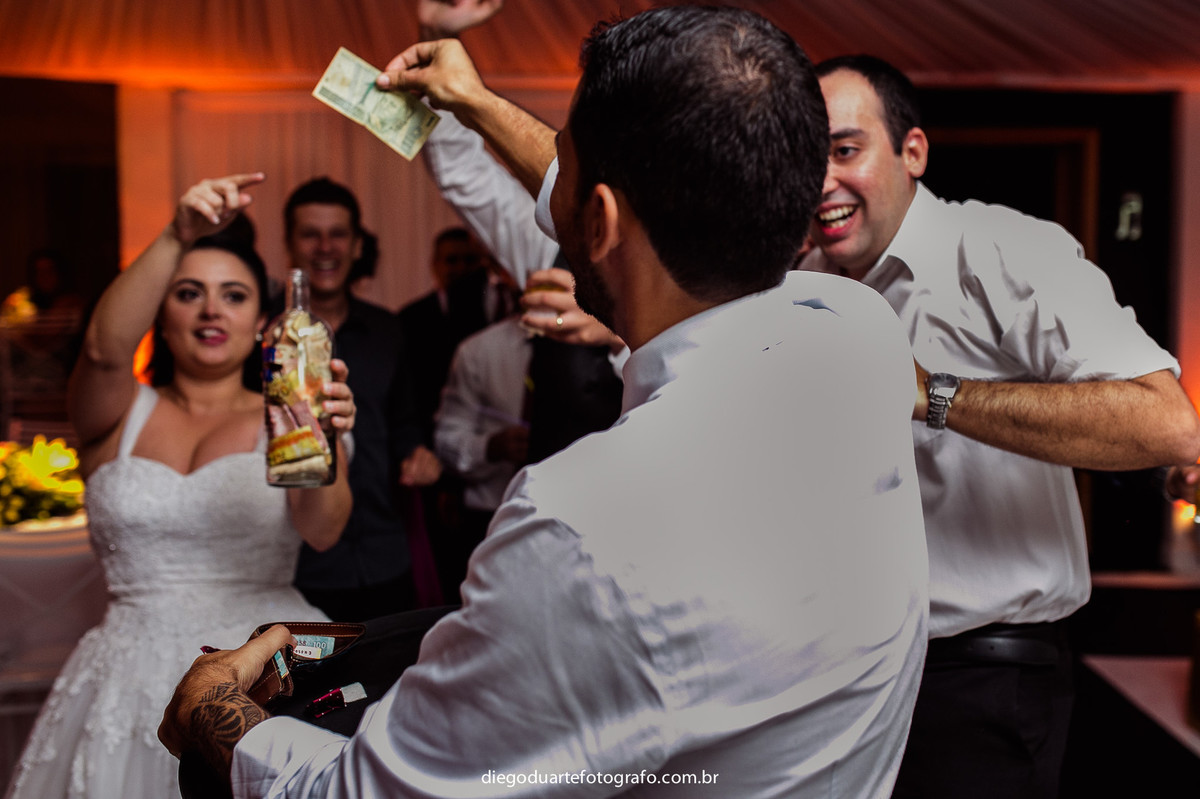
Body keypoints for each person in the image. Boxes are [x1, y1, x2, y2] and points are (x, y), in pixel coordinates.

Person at [159, 7, 930, 797]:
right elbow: (589, 199)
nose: (550, 194)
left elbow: (358, 793)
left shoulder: (580, 522)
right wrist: (478, 102)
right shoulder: (857, 333)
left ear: (598, 220)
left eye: (565, 169)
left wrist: (214, 706)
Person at [797, 55, 1200, 798]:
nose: (820, 178)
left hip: (977, 684)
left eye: (845, 149)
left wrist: (932, 395)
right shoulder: (812, 289)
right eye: (803, 156)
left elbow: (1165, 420)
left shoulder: (998, 250)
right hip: (849, 681)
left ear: (912, 151)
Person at [3, 174, 355, 799]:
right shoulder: (116, 414)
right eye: (188, 293)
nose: (211, 310)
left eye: (234, 295)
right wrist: (176, 233)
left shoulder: (294, 413)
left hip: (260, 672)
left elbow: (323, 532)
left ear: (262, 320)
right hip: (124, 674)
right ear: (159, 314)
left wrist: (319, 436)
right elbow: (105, 348)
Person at [280, 177, 443, 619]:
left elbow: (405, 420)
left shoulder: (389, 330)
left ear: (356, 245)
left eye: (338, 234)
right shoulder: (271, 340)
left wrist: (417, 453)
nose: (325, 247)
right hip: (300, 566)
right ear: (290, 245)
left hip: (386, 552)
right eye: (310, 234)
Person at [433, 265, 623, 585]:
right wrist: (489, 447)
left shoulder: (613, 348)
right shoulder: (478, 351)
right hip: (492, 516)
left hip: (583, 521)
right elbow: (446, 438)